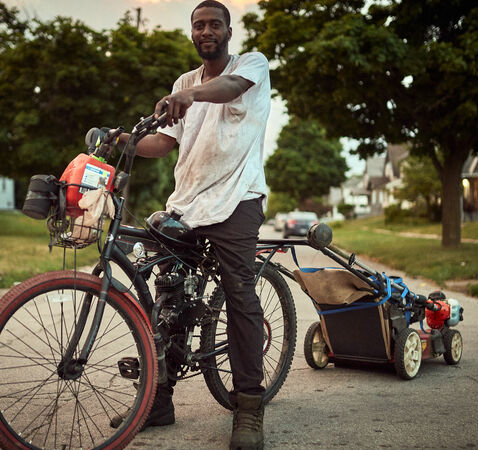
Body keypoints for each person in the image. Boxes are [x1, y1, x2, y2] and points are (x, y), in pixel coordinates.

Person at [118, 1, 271, 448]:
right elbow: (165, 143)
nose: (206, 31)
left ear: (228, 30)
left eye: (214, 24)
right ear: (192, 33)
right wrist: (123, 139)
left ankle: (248, 406)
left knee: (239, 291)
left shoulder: (251, 65)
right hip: (187, 203)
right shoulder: (183, 82)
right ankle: (158, 400)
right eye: (199, 25)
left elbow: (226, 89)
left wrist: (188, 97)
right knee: (169, 296)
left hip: (238, 197)